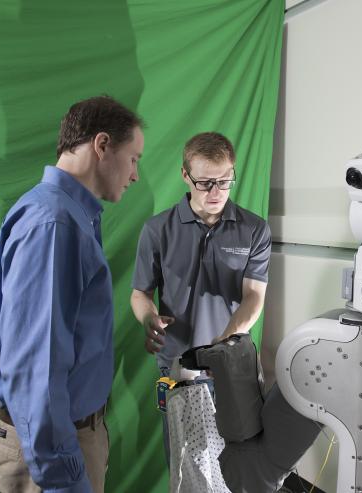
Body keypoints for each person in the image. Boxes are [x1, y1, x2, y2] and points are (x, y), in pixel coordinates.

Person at [0, 95, 144, 493]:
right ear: (102, 145)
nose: (135, 174)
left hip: (59, 438)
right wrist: (66, 479)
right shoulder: (55, 224)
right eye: (133, 158)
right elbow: (36, 370)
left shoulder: (67, 214)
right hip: (49, 450)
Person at [130, 131, 271, 463]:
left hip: (234, 367)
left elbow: (254, 296)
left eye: (224, 181)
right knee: (186, 464)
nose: (216, 192)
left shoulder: (254, 229)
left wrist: (223, 342)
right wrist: (149, 317)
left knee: (239, 462)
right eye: (205, 182)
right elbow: (140, 293)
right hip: (180, 368)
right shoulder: (157, 230)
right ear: (185, 175)